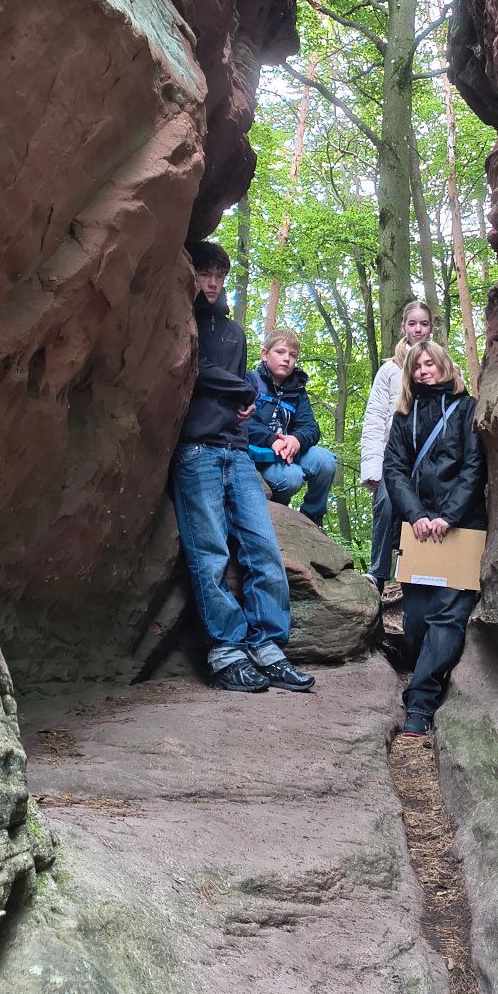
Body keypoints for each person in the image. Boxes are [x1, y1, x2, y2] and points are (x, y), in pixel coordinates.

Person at [171, 241, 315, 694]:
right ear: (191, 273)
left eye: (219, 275)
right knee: (210, 552)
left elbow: (237, 393)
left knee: (263, 549)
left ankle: (268, 646)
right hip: (196, 449)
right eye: (205, 273)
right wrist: (245, 390)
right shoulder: (179, 317)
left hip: (234, 451)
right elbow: (193, 369)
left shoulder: (234, 332)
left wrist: (244, 403)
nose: (212, 283)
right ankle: (226, 650)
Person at [382, 340, 487, 737]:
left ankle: (420, 704)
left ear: (444, 365)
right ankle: (424, 673)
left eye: (430, 363)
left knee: (447, 617)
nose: (424, 370)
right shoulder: (404, 415)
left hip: (461, 530)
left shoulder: (467, 408)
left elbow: (474, 465)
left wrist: (449, 516)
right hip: (419, 532)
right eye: (417, 365)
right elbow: (394, 468)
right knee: (417, 620)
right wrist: (418, 515)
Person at [360, 299, 433, 585]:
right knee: (387, 503)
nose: (418, 329)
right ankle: (378, 573)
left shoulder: (443, 366)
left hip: (431, 457)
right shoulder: (389, 371)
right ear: (403, 327)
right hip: (396, 457)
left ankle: (421, 574)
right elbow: (375, 419)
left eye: (424, 324)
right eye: (412, 324)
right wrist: (373, 468)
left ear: (431, 328)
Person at [248, 327, 337, 529]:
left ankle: (312, 516)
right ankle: (275, 511)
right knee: (292, 479)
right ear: (265, 354)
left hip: (288, 453)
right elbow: (241, 422)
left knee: (325, 460)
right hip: (259, 458)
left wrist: (296, 440)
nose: (286, 359)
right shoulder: (250, 382)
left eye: (292, 355)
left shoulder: (297, 391)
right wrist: (271, 440)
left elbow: (310, 427)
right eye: (280, 352)